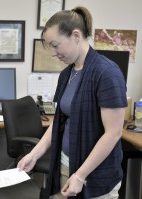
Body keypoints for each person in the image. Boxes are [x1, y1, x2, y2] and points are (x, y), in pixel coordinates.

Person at [17, 6, 127, 199]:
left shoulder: (106, 72)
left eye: (55, 45)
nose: (52, 52)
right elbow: (58, 122)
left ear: (76, 35)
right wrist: (34, 155)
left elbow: (113, 133)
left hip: (94, 176)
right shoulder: (66, 74)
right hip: (65, 165)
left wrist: (80, 175)